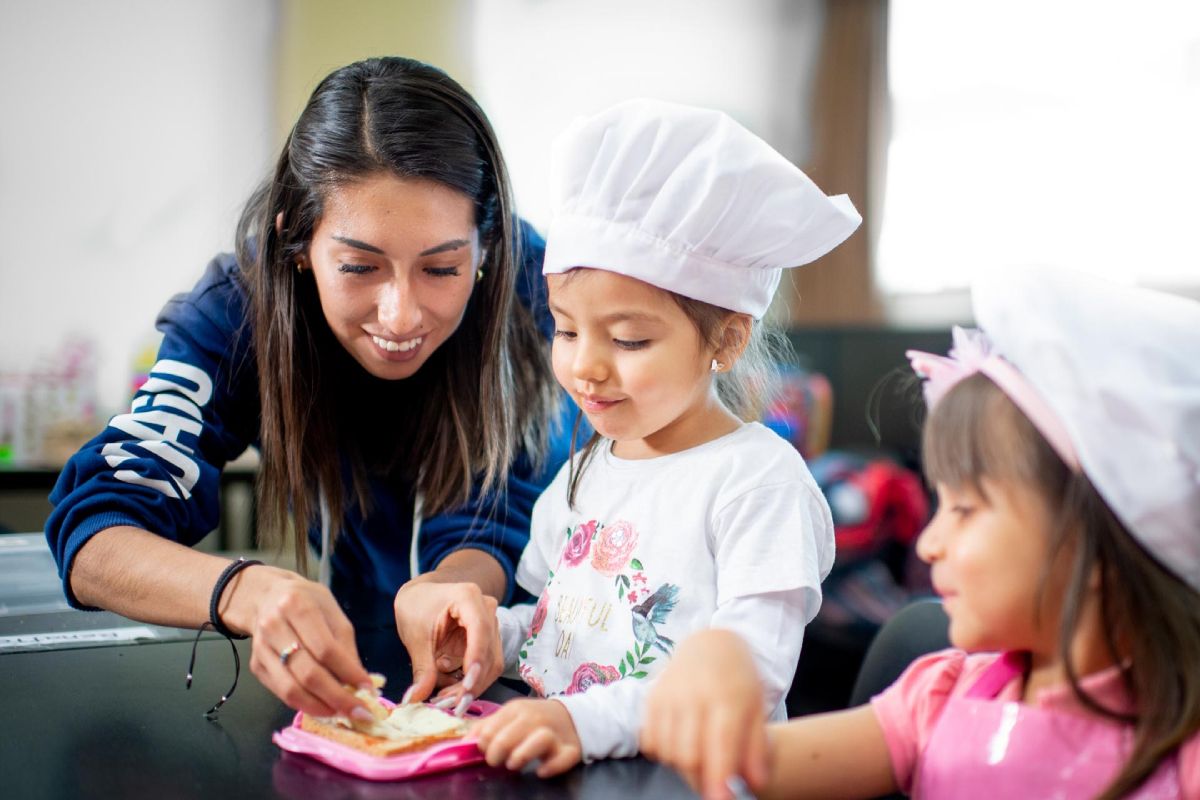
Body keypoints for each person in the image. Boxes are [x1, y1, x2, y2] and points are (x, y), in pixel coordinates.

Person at [44, 57, 567, 721]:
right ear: (297, 239)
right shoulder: (236, 315)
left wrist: (445, 591)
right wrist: (247, 592)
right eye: (358, 265)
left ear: (486, 246)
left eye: (442, 267)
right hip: (364, 657)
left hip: (543, 667)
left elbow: (497, 515)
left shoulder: (539, 296)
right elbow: (95, 532)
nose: (401, 314)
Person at [640, 266, 1200, 799]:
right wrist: (717, 670)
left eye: (965, 509)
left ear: (1095, 542)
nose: (928, 544)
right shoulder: (936, 699)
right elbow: (751, 766)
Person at [444, 98, 863, 776]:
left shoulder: (757, 484)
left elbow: (749, 679)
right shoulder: (586, 469)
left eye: (629, 338)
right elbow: (562, 624)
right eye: (568, 329)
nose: (585, 365)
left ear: (725, 340)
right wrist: (495, 636)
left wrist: (583, 722)